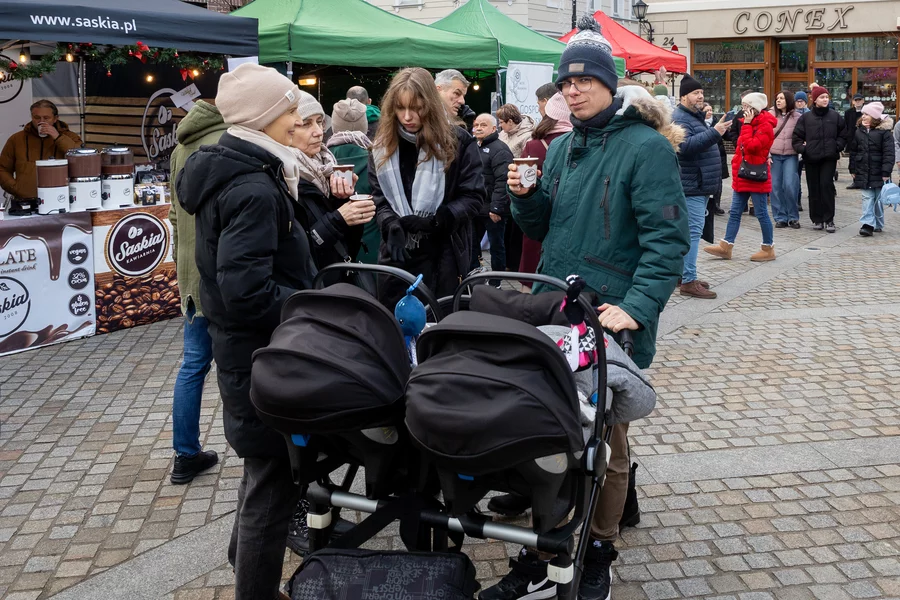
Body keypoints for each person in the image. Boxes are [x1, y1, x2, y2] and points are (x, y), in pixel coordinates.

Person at [486, 17, 690, 600]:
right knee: (553, 428)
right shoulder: (561, 147)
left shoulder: (646, 149)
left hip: (608, 314)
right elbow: (542, 226)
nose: (573, 90)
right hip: (556, 305)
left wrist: (638, 307)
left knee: (607, 439)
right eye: (566, 82)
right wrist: (526, 198)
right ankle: (546, 544)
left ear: (609, 83)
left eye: (584, 80)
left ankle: (599, 546)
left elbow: (667, 240)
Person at [176, 63, 317, 600]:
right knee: (273, 482)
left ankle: (244, 562)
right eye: (288, 109)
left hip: (247, 349)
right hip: (260, 351)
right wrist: (310, 306)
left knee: (262, 472)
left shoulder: (238, 168)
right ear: (263, 118)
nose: (296, 119)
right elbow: (246, 290)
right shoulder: (253, 186)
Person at [371, 67, 485, 307]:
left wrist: (437, 221)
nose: (407, 117)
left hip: (443, 259)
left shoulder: (458, 141)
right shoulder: (382, 145)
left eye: (416, 108)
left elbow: (474, 196)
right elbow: (379, 196)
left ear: (431, 104)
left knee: (437, 322)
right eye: (400, 108)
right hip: (396, 257)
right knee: (394, 323)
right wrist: (389, 223)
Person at [167, 100, 227, 485]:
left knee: (192, 365)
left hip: (191, 273)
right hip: (222, 271)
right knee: (244, 364)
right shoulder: (228, 142)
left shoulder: (179, 148)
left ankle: (185, 454)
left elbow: (174, 214)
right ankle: (265, 454)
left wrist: (181, 266)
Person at [290, 93, 373, 283]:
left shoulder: (326, 165)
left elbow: (349, 245)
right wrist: (339, 218)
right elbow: (296, 255)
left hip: (334, 282)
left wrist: (344, 199)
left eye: (320, 122)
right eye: (306, 124)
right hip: (309, 289)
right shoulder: (283, 176)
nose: (319, 132)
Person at [672, 74, 732, 299]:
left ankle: (681, 275)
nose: (700, 97)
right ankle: (688, 281)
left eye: (702, 93)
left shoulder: (692, 117)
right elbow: (685, 147)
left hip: (698, 184)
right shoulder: (680, 118)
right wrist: (715, 132)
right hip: (692, 186)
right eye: (696, 93)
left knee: (687, 232)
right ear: (683, 96)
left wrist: (714, 130)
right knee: (692, 232)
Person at [704, 92, 777, 262]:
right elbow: (740, 143)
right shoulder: (747, 123)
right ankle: (726, 246)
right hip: (743, 174)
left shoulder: (765, 125)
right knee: (735, 212)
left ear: (754, 108)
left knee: (761, 213)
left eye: (746, 106)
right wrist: (747, 126)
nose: (743, 110)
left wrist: (747, 125)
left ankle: (768, 248)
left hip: (756, 175)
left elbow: (751, 146)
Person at [516, 93, 573, 289]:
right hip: (569, 220)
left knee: (532, 276)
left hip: (538, 219)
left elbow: (522, 186)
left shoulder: (533, 145)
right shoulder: (582, 143)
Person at [328, 98, 379, 264]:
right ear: (364, 126)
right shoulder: (379, 161)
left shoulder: (317, 164)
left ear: (334, 126)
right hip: (372, 255)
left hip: (331, 255)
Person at [0, 99, 82, 199]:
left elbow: (81, 159)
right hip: (26, 200)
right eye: (37, 117)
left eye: (46, 118)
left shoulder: (70, 137)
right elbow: (3, 168)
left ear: (55, 118)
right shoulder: (17, 139)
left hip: (60, 198)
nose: (41, 121)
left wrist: (58, 137)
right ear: (32, 117)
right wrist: (15, 188)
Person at [792, 85, 845, 232]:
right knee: (814, 188)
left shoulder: (835, 116)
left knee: (826, 186)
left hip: (829, 158)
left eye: (827, 97)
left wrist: (837, 146)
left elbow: (843, 134)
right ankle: (817, 219)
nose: (825, 99)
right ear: (815, 100)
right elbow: (796, 137)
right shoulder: (806, 118)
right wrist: (804, 149)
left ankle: (829, 220)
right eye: (822, 97)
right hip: (811, 158)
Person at [470, 114, 514, 285]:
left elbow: (503, 181)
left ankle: (496, 283)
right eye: (476, 125)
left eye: (483, 125)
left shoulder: (500, 149)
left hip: (493, 210)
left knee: (496, 247)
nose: (479, 128)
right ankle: (475, 280)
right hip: (475, 208)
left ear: (494, 128)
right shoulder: (473, 147)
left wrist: (496, 207)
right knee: (472, 246)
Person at [847, 102, 894, 236]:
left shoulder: (884, 133)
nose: (863, 116)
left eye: (867, 114)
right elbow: (854, 151)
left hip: (878, 171)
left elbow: (889, 153)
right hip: (863, 170)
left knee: (878, 199)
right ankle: (868, 224)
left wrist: (886, 171)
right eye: (863, 114)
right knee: (867, 197)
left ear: (874, 117)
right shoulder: (859, 131)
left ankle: (878, 223)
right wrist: (853, 169)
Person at [768, 90, 802, 229]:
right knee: (775, 186)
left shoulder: (797, 117)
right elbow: (764, 136)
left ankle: (793, 217)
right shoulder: (770, 115)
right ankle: (780, 217)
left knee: (790, 186)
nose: (778, 101)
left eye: (782, 98)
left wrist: (801, 150)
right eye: (777, 98)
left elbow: (802, 135)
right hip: (774, 155)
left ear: (788, 100)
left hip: (790, 155)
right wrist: (767, 154)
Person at [844, 93, 865, 188]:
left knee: (863, 160)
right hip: (852, 140)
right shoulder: (848, 112)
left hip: (864, 139)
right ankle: (855, 181)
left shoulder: (866, 112)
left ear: (863, 101)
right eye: (856, 100)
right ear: (853, 102)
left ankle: (863, 180)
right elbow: (846, 126)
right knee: (853, 160)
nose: (858, 102)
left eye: (859, 100)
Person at [794, 90, 810, 213]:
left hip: (809, 149)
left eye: (802, 101)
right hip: (797, 149)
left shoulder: (810, 114)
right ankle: (797, 200)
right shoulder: (792, 115)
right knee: (796, 176)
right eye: (797, 101)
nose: (800, 103)